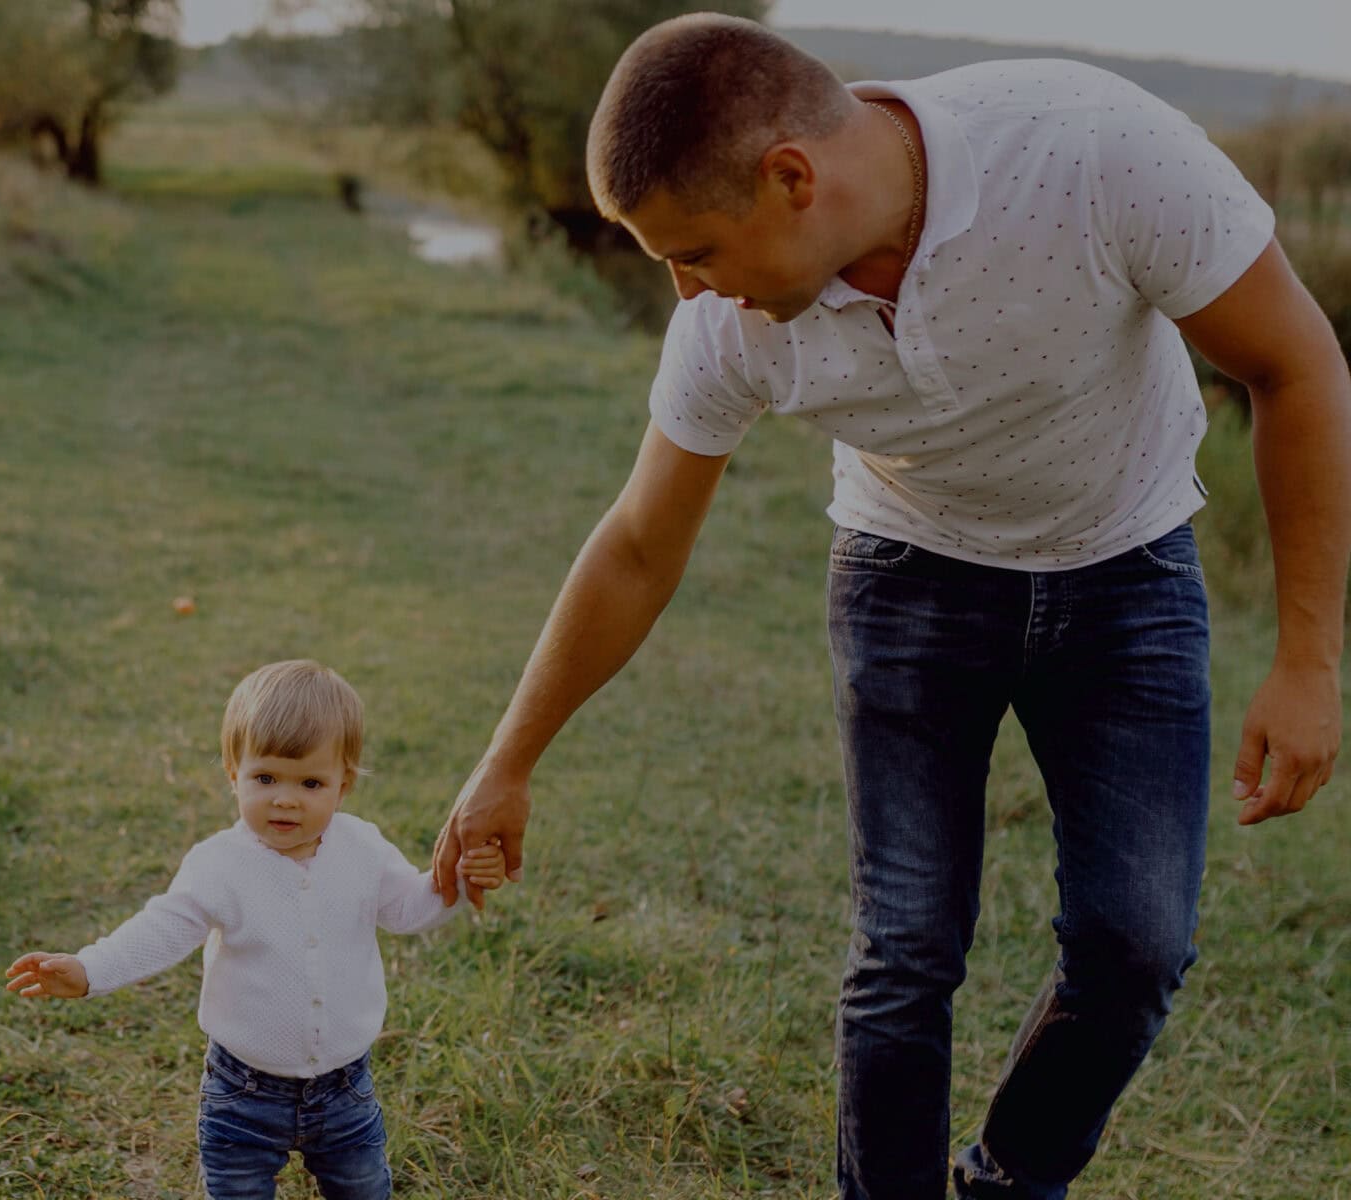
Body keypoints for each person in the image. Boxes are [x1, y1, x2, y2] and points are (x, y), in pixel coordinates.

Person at [428, 14, 1350, 1200]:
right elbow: (636, 546)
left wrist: (1308, 658)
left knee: (1133, 951)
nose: (686, 290)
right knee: (905, 951)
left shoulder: (1092, 153)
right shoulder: (723, 326)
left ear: (791, 179)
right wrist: (507, 761)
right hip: (907, 578)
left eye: (695, 249)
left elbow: (1294, 367)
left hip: (1125, 571)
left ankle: (1008, 1179)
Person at [7, 659, 507, 1200]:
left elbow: (410, 908)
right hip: (241, 1092)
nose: (285, 798)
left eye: (311, 782)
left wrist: (454, 878)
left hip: (345, 1089)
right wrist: (89, 970)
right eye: (265, 778)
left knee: (364, 1189)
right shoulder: (220, 865)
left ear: (343, 787)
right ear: (232, 774)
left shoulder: (361, 850)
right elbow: (163, 927)